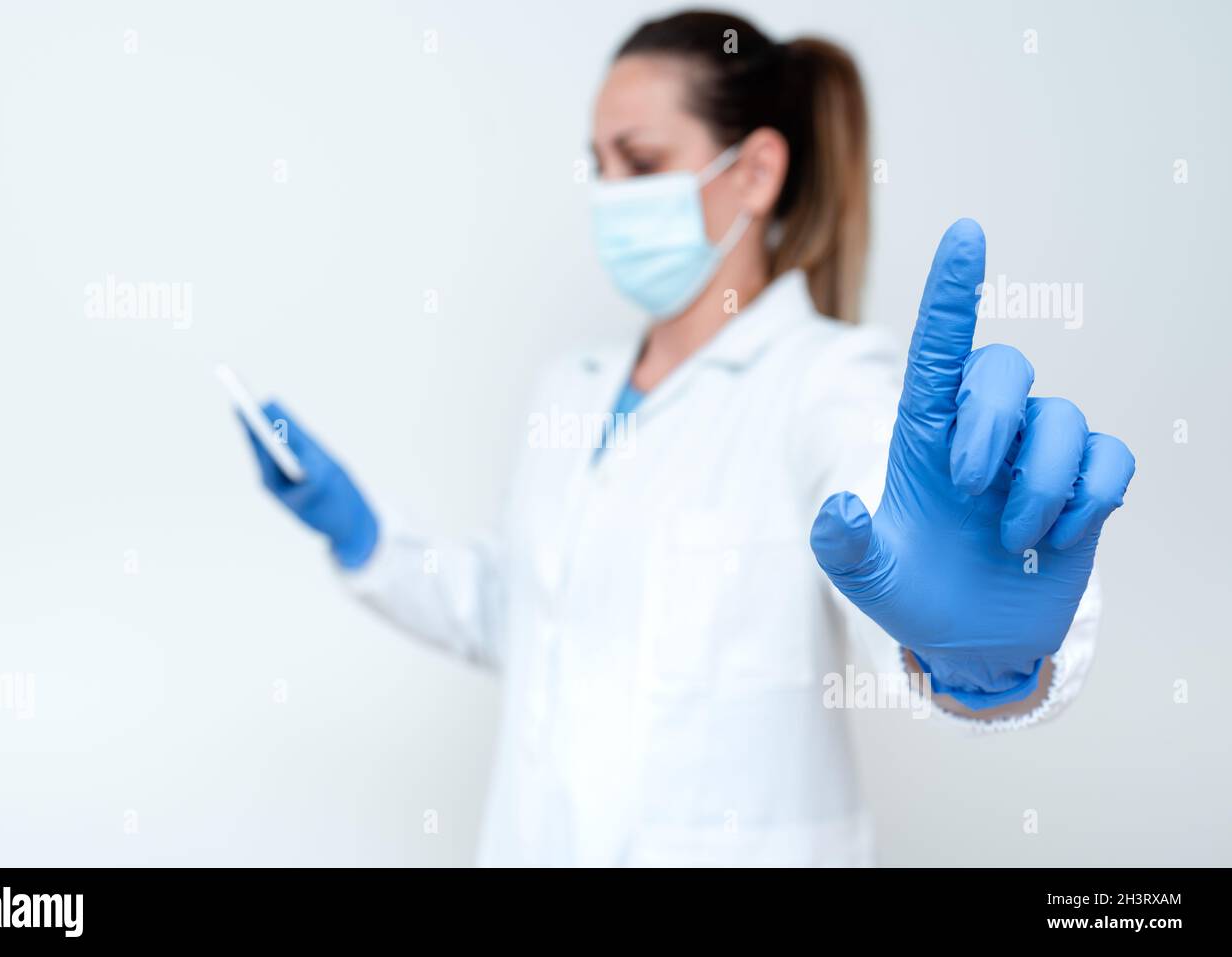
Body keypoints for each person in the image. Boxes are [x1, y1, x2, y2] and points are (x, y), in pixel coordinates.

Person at [242, 11, 1135, 866]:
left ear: (754, 173)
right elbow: (528, 617)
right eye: (598, 165)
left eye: (642, 162)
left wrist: (976, 661)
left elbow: (886, 525)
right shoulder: (573, 388)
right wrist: (362, 535)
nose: (611, 196)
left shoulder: (827, 382)